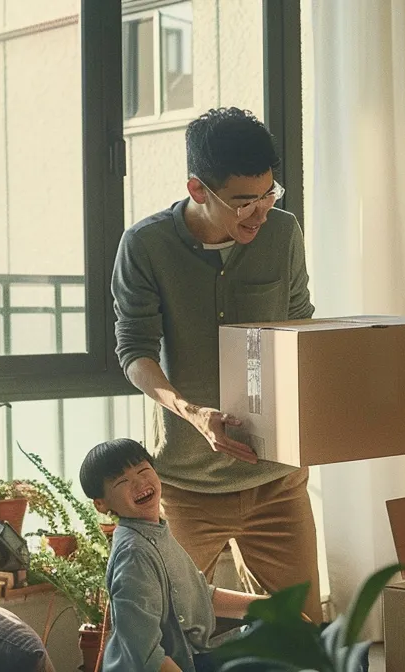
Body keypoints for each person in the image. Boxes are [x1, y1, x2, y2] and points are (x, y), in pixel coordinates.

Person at [110, 107, 321, 622]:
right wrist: (193, 412)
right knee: (159, 628)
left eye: (270, 195)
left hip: (277, 480)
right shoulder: (145, 245)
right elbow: (135, 352)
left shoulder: (282, 232)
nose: (260, 213)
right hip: (185, 485)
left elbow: (298, 326)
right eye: (245, 202)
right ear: (198, 189)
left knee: (304, 632)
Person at [83, 439, 262, 672]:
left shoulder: (154, 531)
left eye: (143, 470)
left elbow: (197, 595)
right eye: (123, 481)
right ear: (101, 504)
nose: (139, 482)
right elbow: (146, 655)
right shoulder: (133, 555)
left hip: (192, 656)